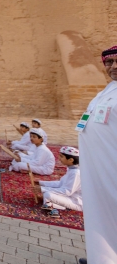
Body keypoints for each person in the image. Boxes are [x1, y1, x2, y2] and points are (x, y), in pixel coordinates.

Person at [77, 45, 117, 264]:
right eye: (110, 62)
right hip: (97, 171)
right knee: (99, 218)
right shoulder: (109, 89)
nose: (114, 66)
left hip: (112, 168)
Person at [34, 146, 82, 219]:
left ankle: (59, 207)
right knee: (46, 192)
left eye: (62, 156)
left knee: (47, 194)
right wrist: (41, 183)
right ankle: (51, 204)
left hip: (76, 202)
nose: (59, 158)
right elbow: (60, 183)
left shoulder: (76, 173)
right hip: (69, 197)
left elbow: (67, 191)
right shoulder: (72, 169)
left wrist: (43, 189)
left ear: (71, 160)